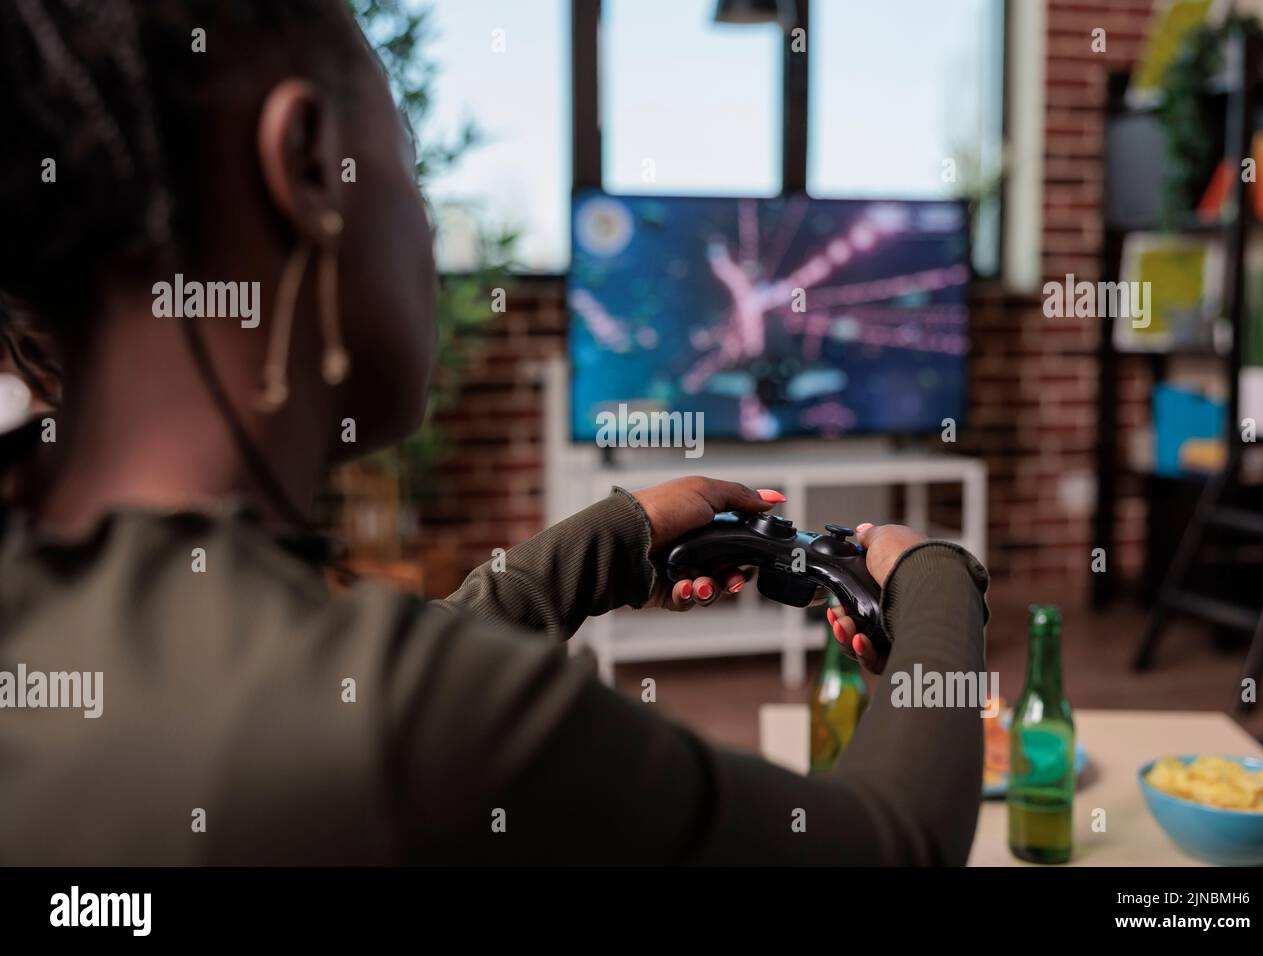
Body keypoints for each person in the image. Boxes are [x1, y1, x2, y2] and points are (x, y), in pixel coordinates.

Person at [0, 0, 988, 864]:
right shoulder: (413, 727)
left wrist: (599, 549)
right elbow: (889, 843)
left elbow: (322, 692)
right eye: (414, 170)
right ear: (308, 166)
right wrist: (936, 579)